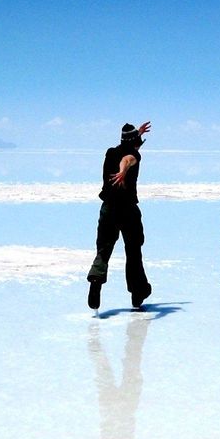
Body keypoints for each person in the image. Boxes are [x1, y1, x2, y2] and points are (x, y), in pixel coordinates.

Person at [87, 121, 153, 311]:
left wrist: (137, 134)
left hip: (108, 208)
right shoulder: (133, 155)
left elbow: (127, 149)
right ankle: (138, 291)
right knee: (133, 250)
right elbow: (127, 159)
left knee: (104, 248)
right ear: (134, 142)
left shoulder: (110, 152)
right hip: (128, 210)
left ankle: (96, 280)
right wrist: (123, 172)